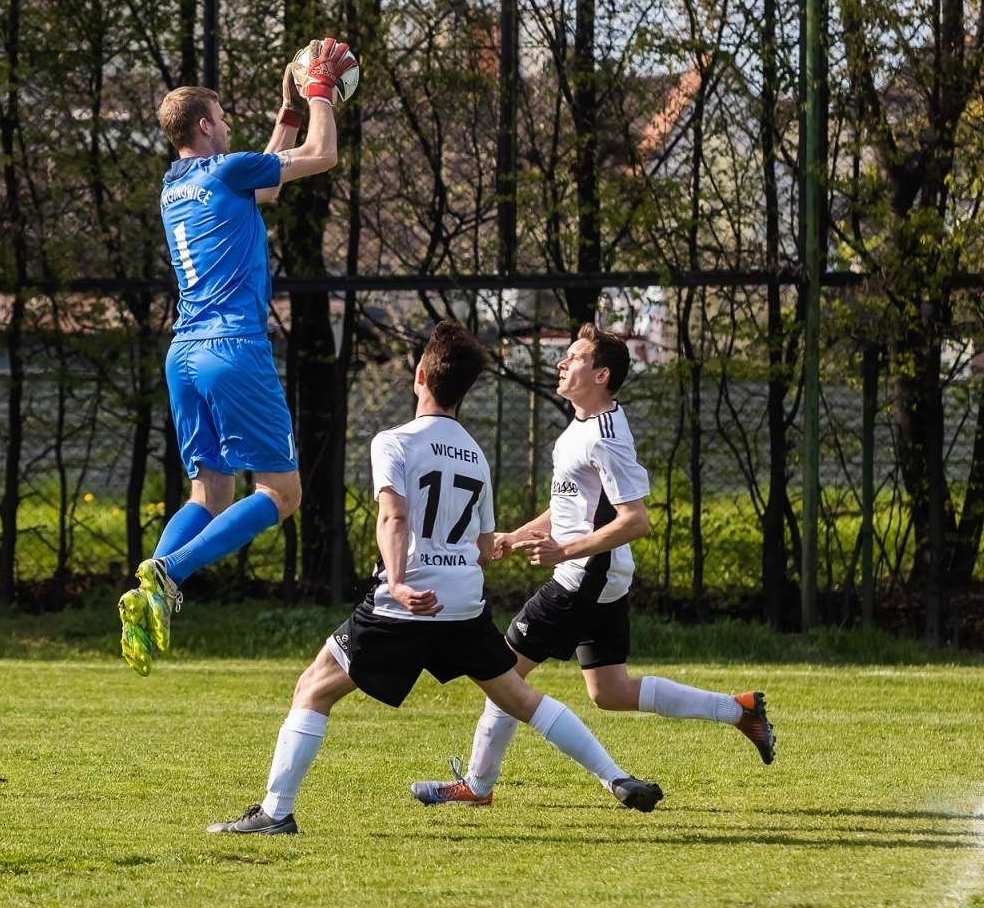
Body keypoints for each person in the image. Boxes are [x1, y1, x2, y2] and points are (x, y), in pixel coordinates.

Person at [207, 322, 664, 834]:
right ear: (464, 391)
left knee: (313, 688)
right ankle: (615, 776)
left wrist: (399, 582)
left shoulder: (394, 441)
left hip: (409, 600)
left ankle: (275, 812)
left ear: (420, 376)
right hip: (465, 603)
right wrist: (475, 555)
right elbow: (487, 546)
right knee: (520, 698)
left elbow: (394, 518)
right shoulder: (476, 454)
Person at [411, 324, 774, 808]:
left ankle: (476, 787)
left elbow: (636, 520)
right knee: (609, 690)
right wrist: (517, 536)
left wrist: (565, 552)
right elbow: (570, 508)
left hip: (584, 578)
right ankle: (738, 709)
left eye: (575, 357)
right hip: (600, 576)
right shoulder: (581, 426)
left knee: (500, 673)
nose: (563, 363)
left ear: (601, 374)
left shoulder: (606, 437)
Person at [117, 38, 359, 677]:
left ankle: (149, 593)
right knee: (282, 493)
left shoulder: (176, 183)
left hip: (185, 353)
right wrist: (319, 92)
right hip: (233, 347)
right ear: (204, 125)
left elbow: (267, 192)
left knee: (210, 491)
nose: (228, 127)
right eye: (222, 119)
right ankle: (170, 571)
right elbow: (323, 155)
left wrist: (284, 114)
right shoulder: (226, 170)